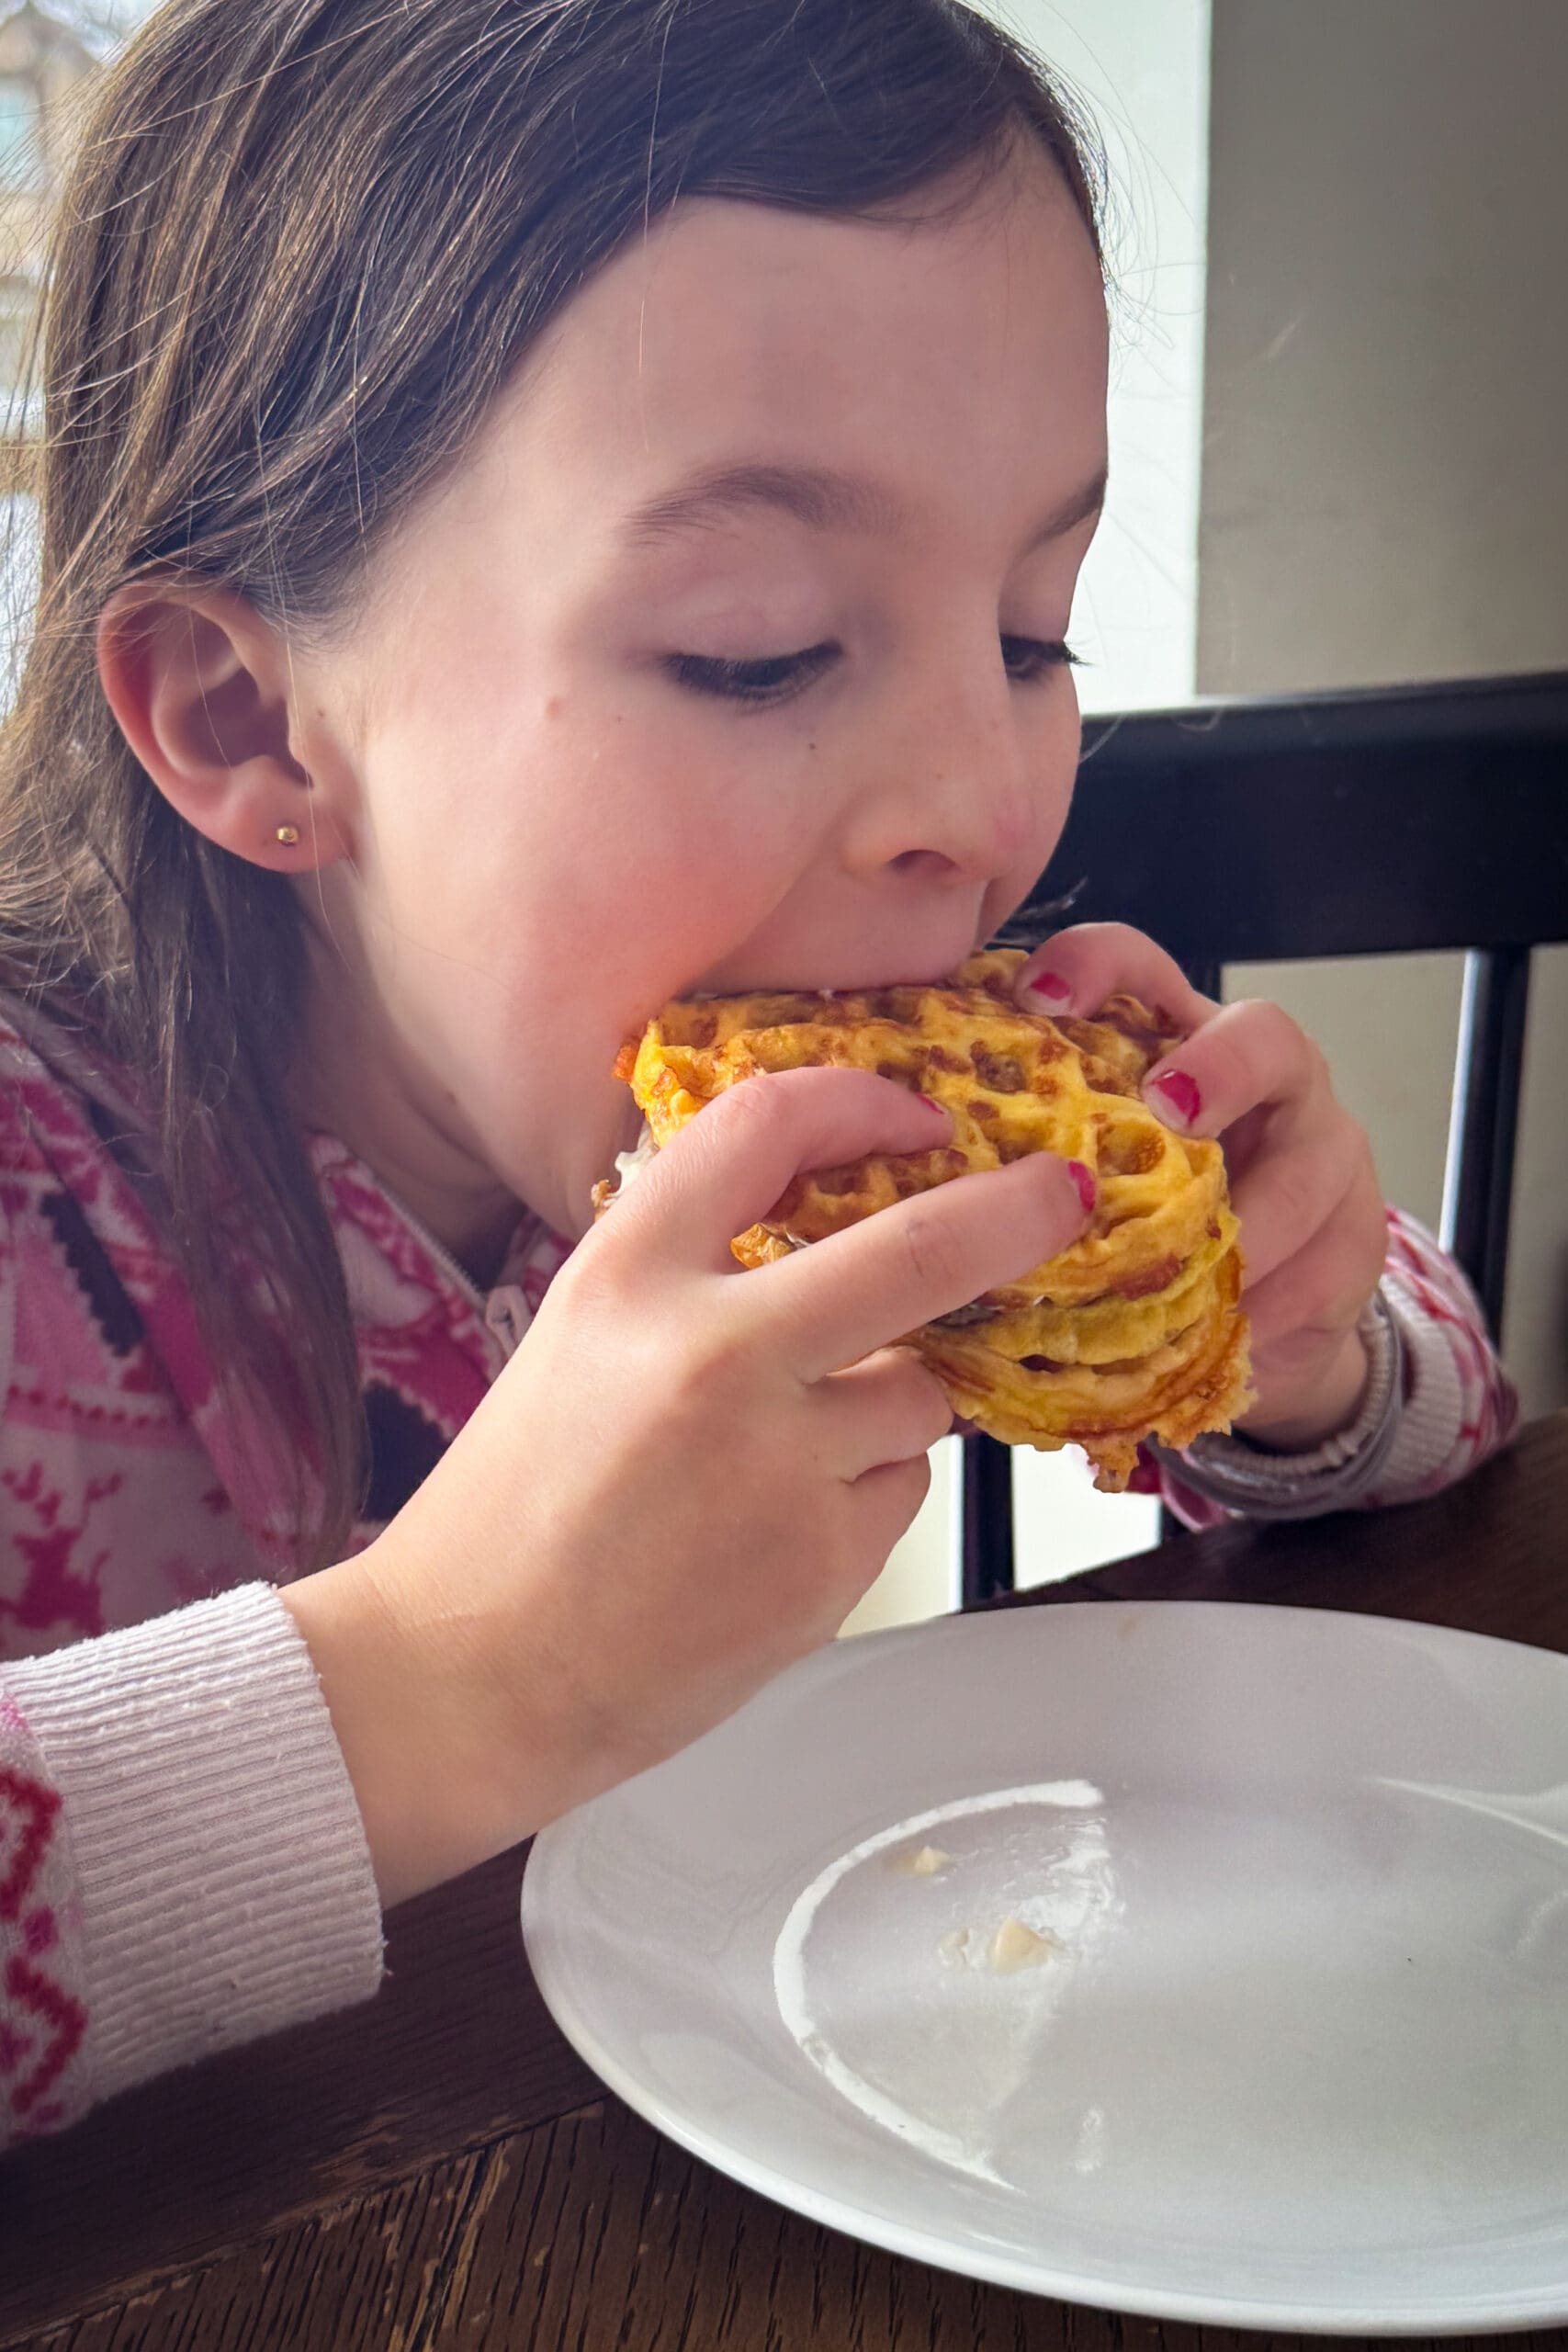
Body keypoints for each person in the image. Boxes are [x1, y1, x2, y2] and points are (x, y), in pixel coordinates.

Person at [0, 0, 1514, 2149]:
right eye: (757, 644)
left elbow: (1445, 1402)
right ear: (254, 726)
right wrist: (448, 1681)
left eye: (1031, 623)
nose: (981, 800)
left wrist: (1296, 1338)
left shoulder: (768, 1126)